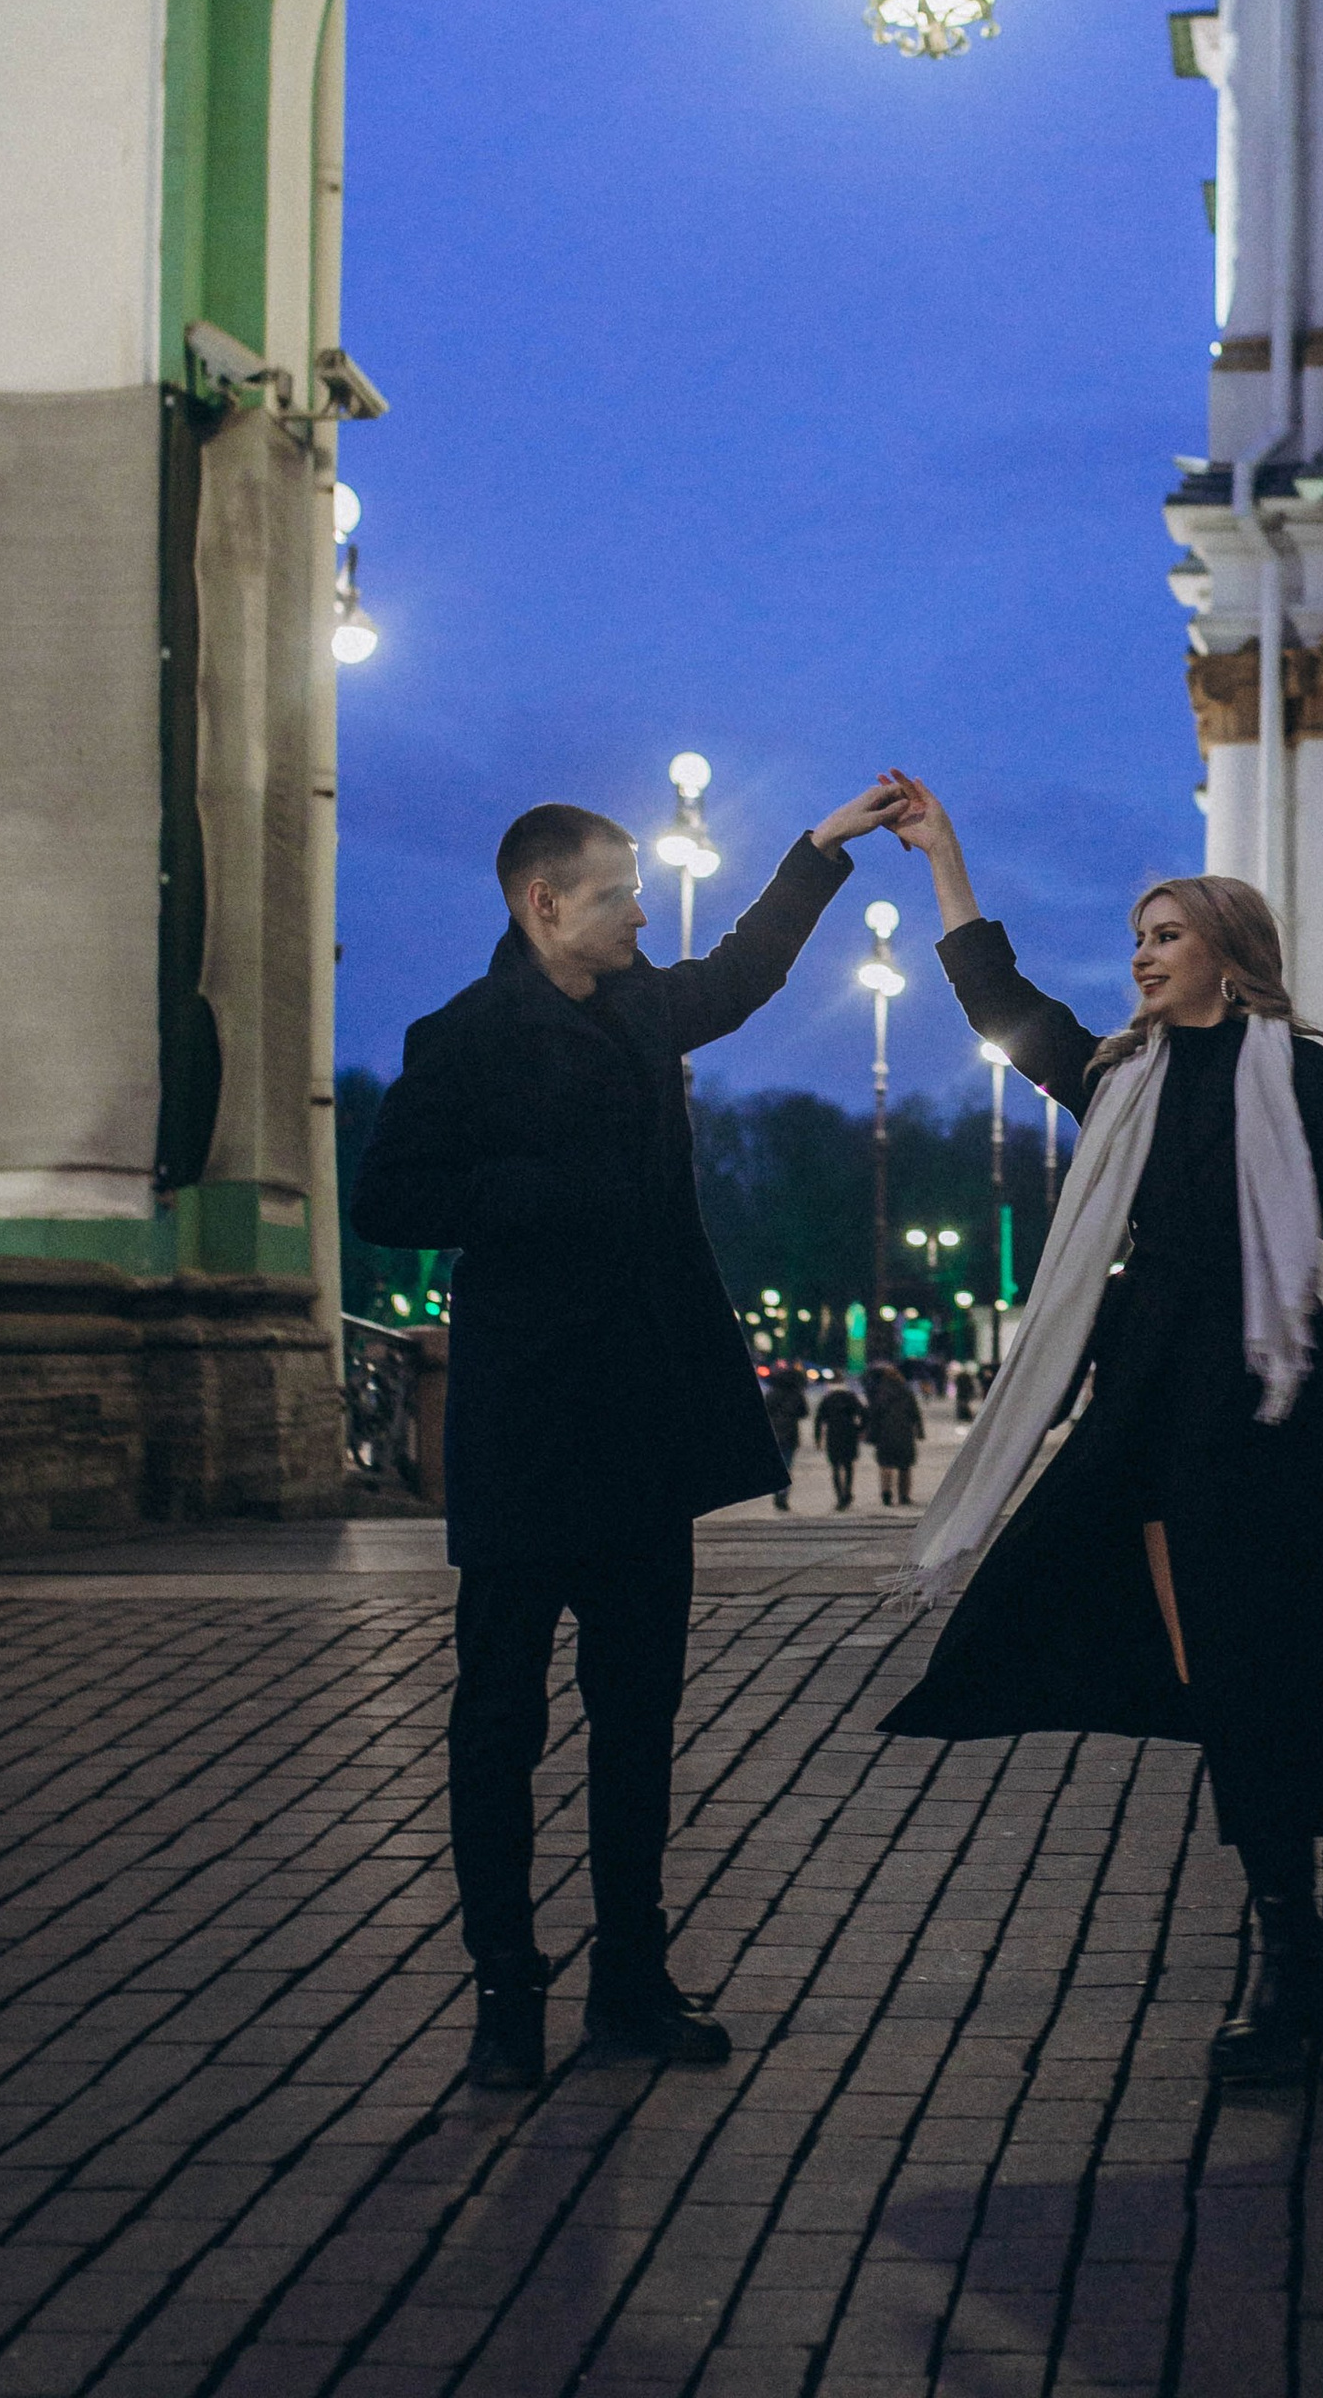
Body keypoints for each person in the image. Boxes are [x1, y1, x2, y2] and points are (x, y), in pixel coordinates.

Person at [877, 782, 1323, 2088]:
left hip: (1262, 1407)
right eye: (1137, 938)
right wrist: (945, 856)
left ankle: (1293, 1957)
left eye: (1166, 935)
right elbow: (998, 999)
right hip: (1148, 1407)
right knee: (1210, 1664)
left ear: (1229, 954)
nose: (1142, 956)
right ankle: (1297, 1954)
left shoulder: (1297, 1077)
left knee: (1252, 1668)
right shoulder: (1118, 1078)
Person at [352, 780, 908, 2091]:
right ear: (544, 905)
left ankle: (631, 1982)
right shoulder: (463, 1038)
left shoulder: (646, 1009)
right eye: (619, 896)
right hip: (526, 1427)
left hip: (643, 1425)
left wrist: (820, 850)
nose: (643, 915)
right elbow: (387, 1198)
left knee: (638, 1718)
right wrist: (530, 1193)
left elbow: (748, 972)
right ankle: (506, 1992)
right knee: (499, 1723)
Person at [865, 1358, 924, 1506]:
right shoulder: (907, 1392)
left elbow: (874, 1415)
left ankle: (886, 1493)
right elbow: (915, 1413)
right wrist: (919, 1431)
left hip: (885, 1434)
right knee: (905, 1467)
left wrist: (871, 1434)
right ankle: (904, 1495)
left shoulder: (879, 1393)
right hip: (904, 1433)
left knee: (886, 1465)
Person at [813, 1378, 866, 1510]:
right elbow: (864, 1413)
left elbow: (819, 1419)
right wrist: (861, 1429)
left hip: (833, 1435)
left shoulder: (827, 1399)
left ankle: (839, 1496)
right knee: (848, 1466)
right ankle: (847, 1492)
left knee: (835, 1467)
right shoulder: (850, 1397)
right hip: (850, 1434)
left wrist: (818, 1438)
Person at [764, 1361, 807, 1510]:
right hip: (790, 1434)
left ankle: (777, 1492)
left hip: (774, 1432)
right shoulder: (796, 1395)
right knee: (787, 1465)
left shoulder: (772, 1394)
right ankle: (783, 1496)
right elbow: (804, 1413)